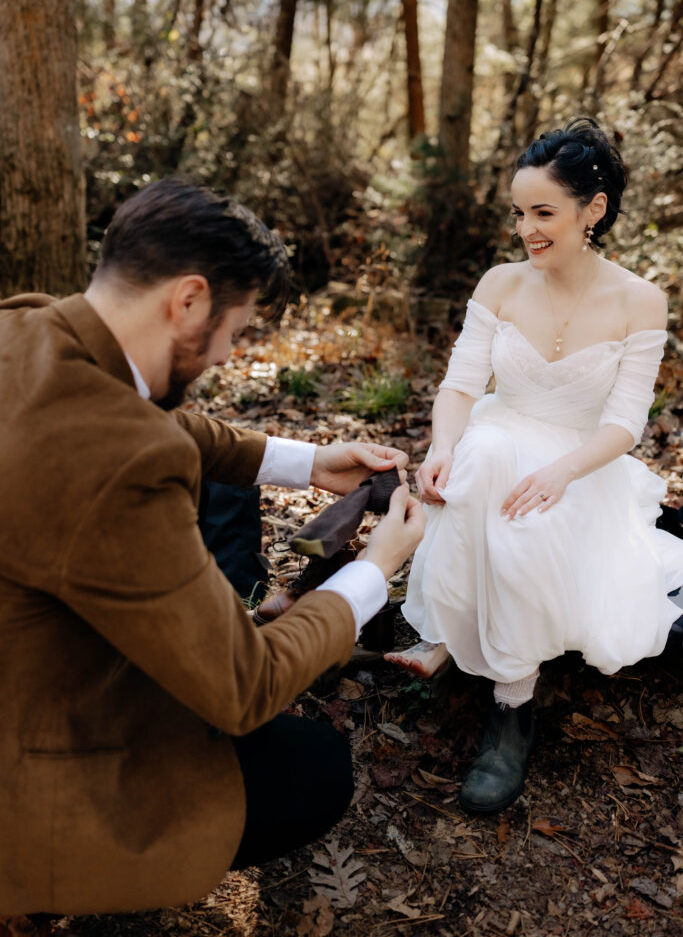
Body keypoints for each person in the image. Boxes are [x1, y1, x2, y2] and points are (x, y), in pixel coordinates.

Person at [0, 178, 425, 929]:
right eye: (234, 327)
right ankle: (64, 889)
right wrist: (373, 570)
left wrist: (309, 460)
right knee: (312, 770)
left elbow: (150, 423)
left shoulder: (28, 328)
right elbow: (244, 683)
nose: (228, 353)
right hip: (30, 764)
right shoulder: (121, 463)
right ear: (188, 300)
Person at [385, 118, 683, 814]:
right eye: (519, 213)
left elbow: (624, 423)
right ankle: (457, 645)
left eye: (542, 213)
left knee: (518, 520)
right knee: (479, 458)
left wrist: (559, 475)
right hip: (497, 436)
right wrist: (441, 448)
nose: (526, 229)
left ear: (594, 210)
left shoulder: (639, 299)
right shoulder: (499, 284)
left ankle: (510, 706)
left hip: (579, 463)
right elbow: (461, 387)